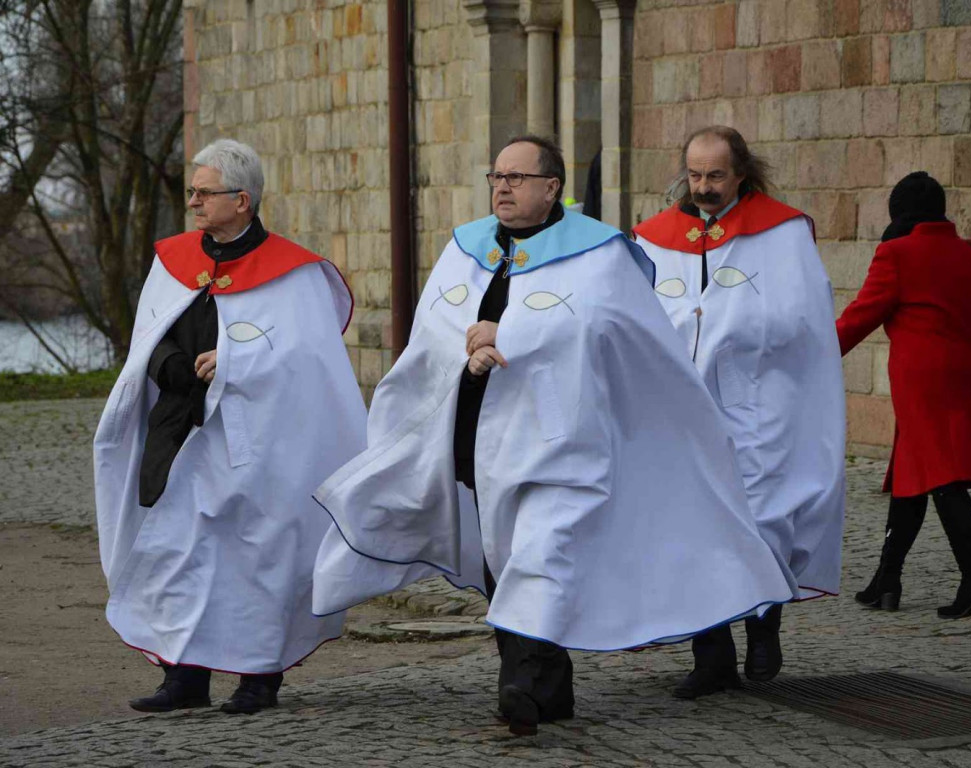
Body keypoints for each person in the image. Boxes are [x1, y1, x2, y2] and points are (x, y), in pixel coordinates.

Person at [312, 135, 794, 735]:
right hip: (475, 435)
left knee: (542, 554)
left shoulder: (598, 255)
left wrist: (508, 335)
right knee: (502, 559)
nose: (503, 188)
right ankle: (549, 687)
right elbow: (433, 329)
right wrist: (467, 350)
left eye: (517, 178)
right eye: (497, 177)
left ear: (552, 188)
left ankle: (521, 685)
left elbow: (609, 334)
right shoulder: (466, 249)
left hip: (561, 438)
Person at [94, 139, 367, 715]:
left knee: (255, 556)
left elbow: (309, 356)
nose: (193, 202)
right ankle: (183, 676)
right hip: (177, 424)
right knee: (176, 550)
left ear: (242, 200)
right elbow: (149, 334)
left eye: (204, 192)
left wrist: (238, 362)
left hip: (257, 437)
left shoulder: (293, 272)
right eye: (191, 192)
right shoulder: (173, 259)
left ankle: (258, 678)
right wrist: (172, 366)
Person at [634, 126, 846, 699]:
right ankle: (712, 656)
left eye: (715, 176)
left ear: (742, 173)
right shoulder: (655, 238)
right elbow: (639, 312)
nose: (703, 187)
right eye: (694, 175)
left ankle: (763, 626)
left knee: (762, 516)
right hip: (683, 406)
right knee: (690, 521)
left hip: (756, 400)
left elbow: (801, 316)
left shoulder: (781, 232)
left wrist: (728, 326)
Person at [836, 171, 971, 618]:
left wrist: (812, 355)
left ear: (898, 212)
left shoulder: (896, 254)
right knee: (914, 472)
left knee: (942, 474)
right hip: (968, 373)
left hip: (922, 379)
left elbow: (860, 317)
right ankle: (887, 579)